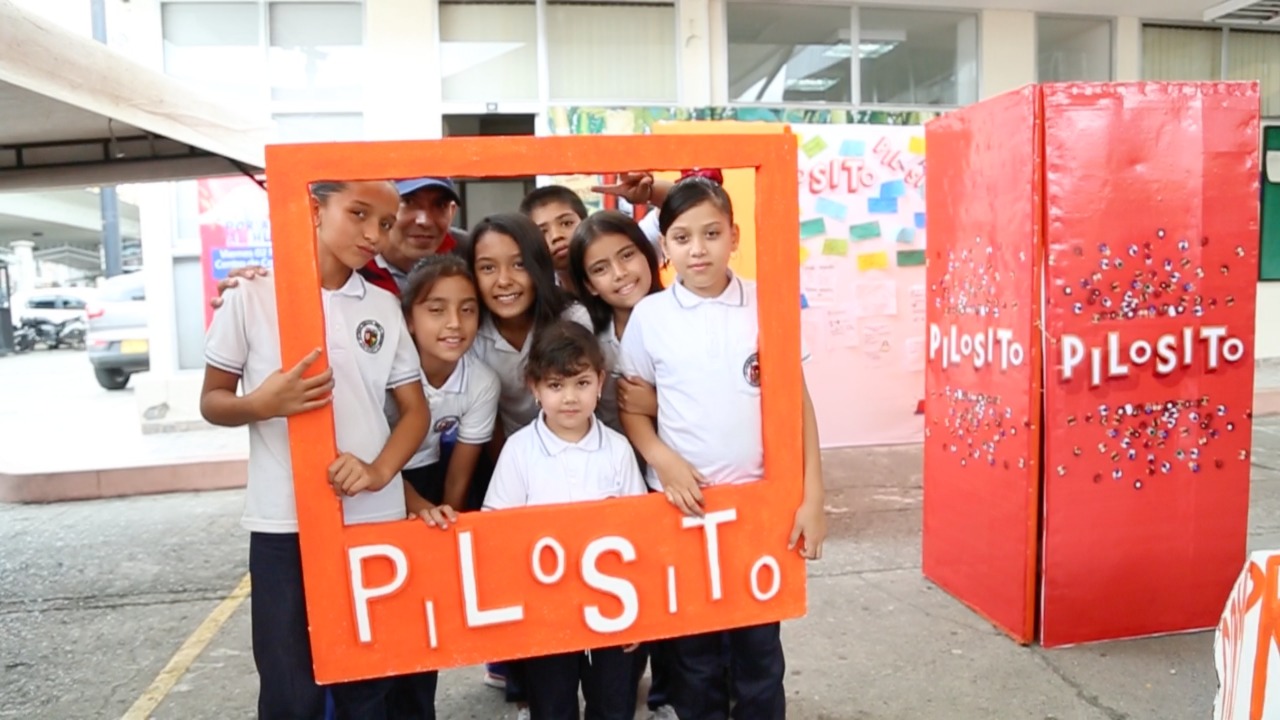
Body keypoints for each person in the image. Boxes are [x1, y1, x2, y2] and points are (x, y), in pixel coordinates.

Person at [200, 180, 433, 720]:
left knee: (370, 682)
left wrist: (379, 472)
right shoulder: (252, 296)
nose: (373, 234)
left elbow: (414, 410)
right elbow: (213, 401)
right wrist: (264, 402)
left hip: (373, 520)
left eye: (383, 222)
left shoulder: (380, 303)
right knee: (289, 687)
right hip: (284, 522)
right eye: (358, 214)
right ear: (312, 208)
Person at [617, 176, 827, 720]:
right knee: (694, 656)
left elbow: (797, 405)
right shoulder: (650, 317)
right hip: (682, 508)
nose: (698, 248)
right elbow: (634, 410)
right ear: (664, 247)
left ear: (735, 236)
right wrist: (666, 464)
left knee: (760, 652)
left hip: (761, 509)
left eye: (711, 233)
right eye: (682, 237)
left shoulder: (767, 303)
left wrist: (813, 498)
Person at [458, 212, 593, 702]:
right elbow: (485, 415)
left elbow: (585, 388)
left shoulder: (569, 318)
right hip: (506, 453)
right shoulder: (470, 330)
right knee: (514, 567)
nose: (504, 281)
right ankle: (520, 662)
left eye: (517, 264)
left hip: (572, 444)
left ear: (537, 265)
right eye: (488, 267)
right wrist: (512, 468)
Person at [482, 320, 646, 720]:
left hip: (611, 610)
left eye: (581, 383)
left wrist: (638, 615)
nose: (569, 398)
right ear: (534, 388)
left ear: (600, 382)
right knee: (552, 707)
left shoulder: (618, 449)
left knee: (612, 706)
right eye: (555, 386)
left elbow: (639, 534)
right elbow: (497, 533)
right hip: (544, 615)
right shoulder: (520, 452)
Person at [566, 210, 673, 718]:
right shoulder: (588, 327)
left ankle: (671, 686)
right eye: (601, 268)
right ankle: (618, 690)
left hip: (674, 468)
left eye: (628, 255)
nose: (621, 273)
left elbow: (693, 201)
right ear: (588, 283)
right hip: (608, 474)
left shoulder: (680, 310)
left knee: (669, 582)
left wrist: (657, 407)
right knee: (621, 583)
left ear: (649, 251)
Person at [210, 176, 467, 306]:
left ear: (453, 212)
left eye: (439, 205)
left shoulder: (469, 256)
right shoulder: (345, 260)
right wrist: (252, 289)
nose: (424, 219)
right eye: (409, 202)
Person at [396, 254, 501, 512]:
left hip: (428, 469)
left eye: (467, 310)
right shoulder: (386, 370)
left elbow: (458, 480)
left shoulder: (482, 383)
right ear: (409, 319)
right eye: (436, 310)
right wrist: (420, 508)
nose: (455, 323)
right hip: (376, 477)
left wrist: (446, 522)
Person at [519, 185, 590, 294]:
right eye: (543, 232)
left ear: (585, 222)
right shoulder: (540, 299)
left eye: (567, 223)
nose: (556, 236)